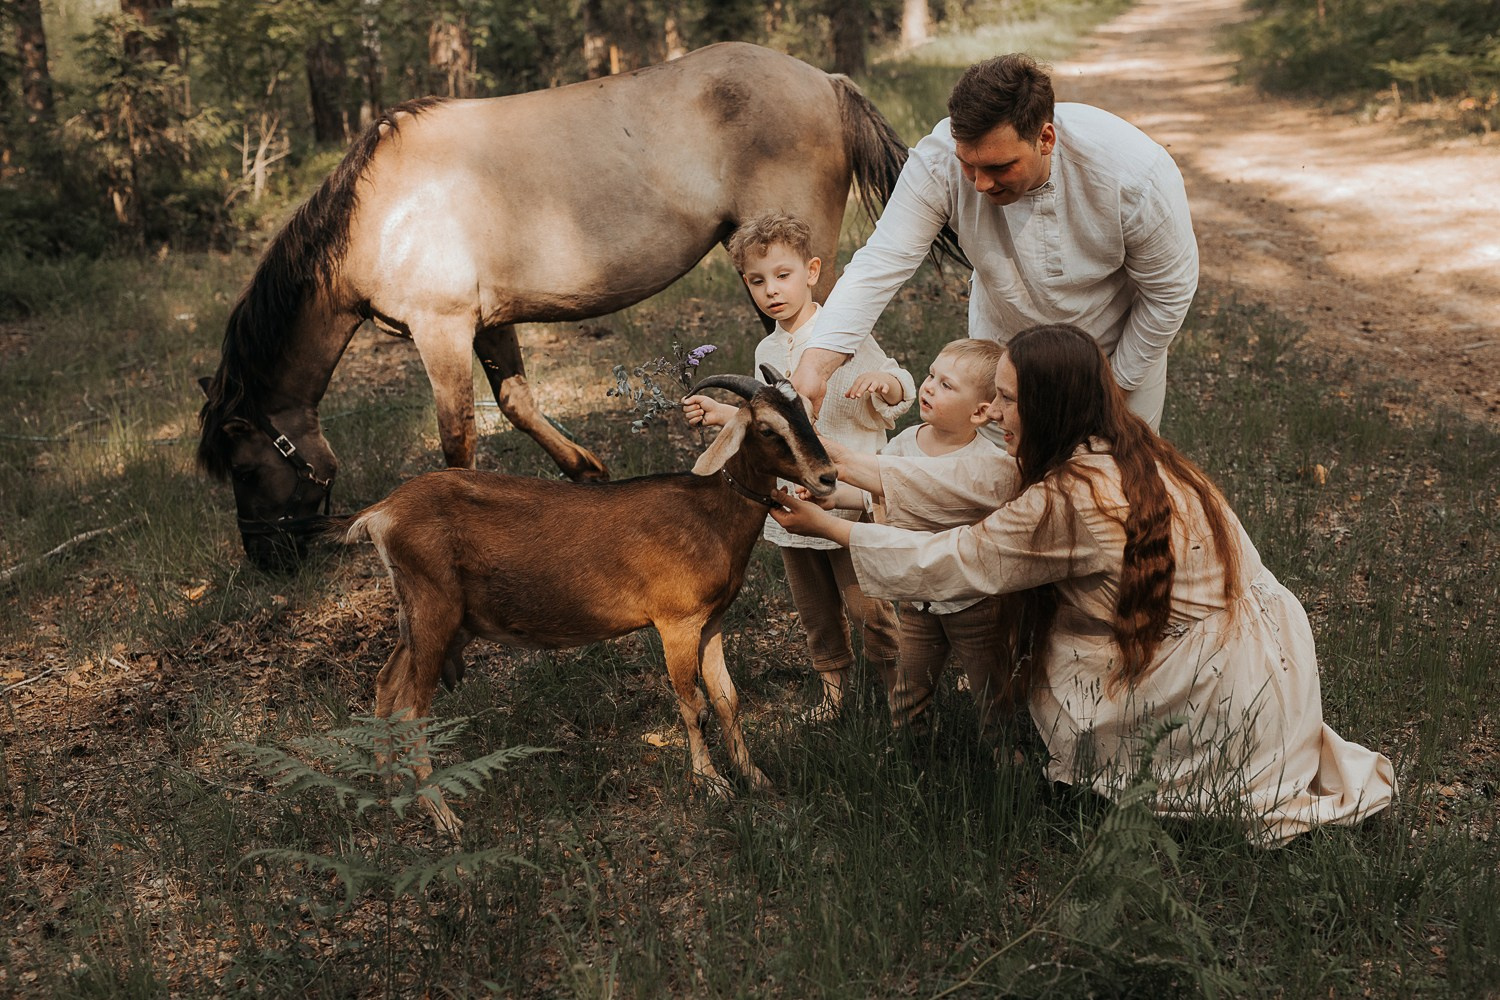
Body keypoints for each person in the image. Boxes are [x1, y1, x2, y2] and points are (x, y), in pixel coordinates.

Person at [773, 324, 1395, 845]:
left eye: (1008, 399)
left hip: (1213, 693)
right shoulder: (1118, 444)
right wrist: (836, 457)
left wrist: (834, 528)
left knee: (1056, 659)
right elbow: (983, 483)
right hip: (1270, 664)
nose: (993, 411)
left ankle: (1166, 758)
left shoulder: (1073, 498)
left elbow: (958, 558)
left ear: (1047, 407)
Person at [791, 53, 1198, 433]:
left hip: (1113, 350)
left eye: (1000, 167)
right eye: (968, 164)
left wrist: (1116, 388)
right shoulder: (937, 163)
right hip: (1002, 351)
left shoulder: (1136, 176)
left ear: (1046, 138)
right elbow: (879, 264)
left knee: (1112, 493)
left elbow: (1168, 293)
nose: (981, 183)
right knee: (999, 491)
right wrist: (816, 363)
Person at [684, 213, 915, 722]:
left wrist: (883, 383)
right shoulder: (767, 348)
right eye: (758, 281)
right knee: (816, 611)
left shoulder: (842, 332)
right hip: (793, 506)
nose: (771, 291)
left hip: (849, 500)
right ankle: (834, 691)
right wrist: (723, 413)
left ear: (812, 271)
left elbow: (903, 385)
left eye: (783, 275)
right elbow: (768, 420)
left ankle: (899, 690)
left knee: (867, 605)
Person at [815, 338, 1023, 747]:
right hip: (916, 601)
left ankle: (1005, 759)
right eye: (930, 376)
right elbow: (881, 490)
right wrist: (832, 498)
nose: (928, 387)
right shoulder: (905, 442)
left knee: (991, 690)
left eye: (946, 385)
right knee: (908, 688)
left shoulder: (987, 466)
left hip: (973, 603)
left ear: (981, 412)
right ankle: (909, 755)